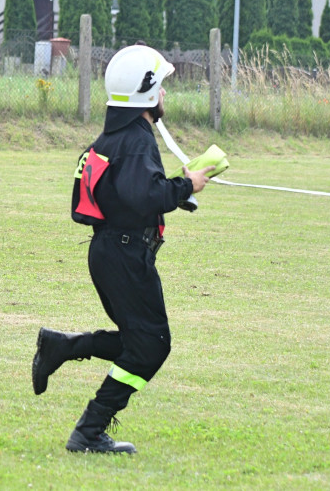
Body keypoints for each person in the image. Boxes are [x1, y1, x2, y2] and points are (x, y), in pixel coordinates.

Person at [32, 44, 214, 454]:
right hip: (124, 254)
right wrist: (186, 186)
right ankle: (89, 430)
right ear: (147, 92)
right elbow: (141, 195)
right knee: (151, 344)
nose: (165, 93)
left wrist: (176, 193)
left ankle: (63, 347)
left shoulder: (118, 135)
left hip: (113, 252)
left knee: (140, 340)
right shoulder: (136, 139)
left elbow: (128, 191)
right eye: (162, 86)